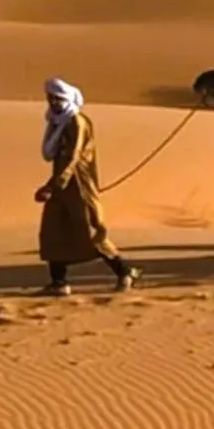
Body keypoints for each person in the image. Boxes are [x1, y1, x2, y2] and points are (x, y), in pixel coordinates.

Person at [36, 77, 138, 296]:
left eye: (58, 98)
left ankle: (125, 271)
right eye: (50, 98)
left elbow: (73, 157)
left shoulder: (76, 122)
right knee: (53, 230)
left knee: (92, 230)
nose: (53, 103)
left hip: (79, 185)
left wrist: (54, 185)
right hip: (61, 185)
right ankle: (59, 282)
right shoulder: (58, 122)